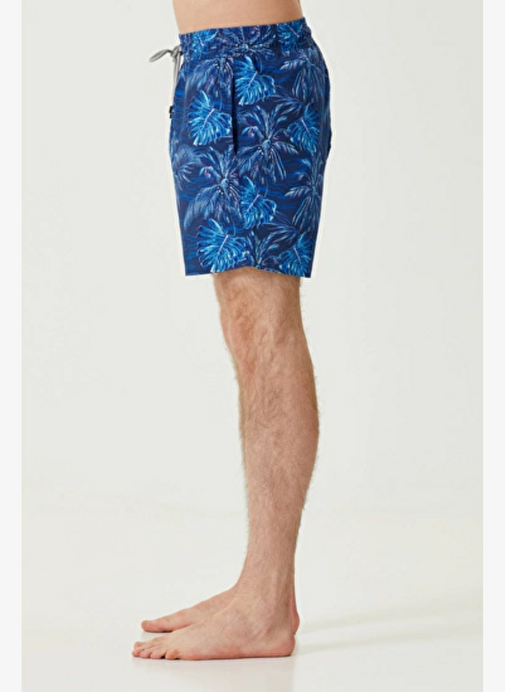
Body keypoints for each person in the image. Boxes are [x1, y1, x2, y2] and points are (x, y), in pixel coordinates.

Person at [133, 0, 332, 660]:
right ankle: (261, 590)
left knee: (262, 322)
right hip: (216, 68)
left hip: (253, 71)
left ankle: (264, 607)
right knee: (243, 316)